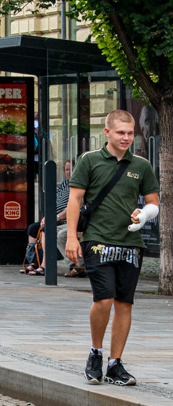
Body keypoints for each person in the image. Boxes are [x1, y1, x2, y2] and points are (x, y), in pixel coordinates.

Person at [65, 109, 159, 386]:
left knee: (124, 303)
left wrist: (144, 215)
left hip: (130, 243)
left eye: (130, 133)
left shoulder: (141, 165)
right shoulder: (90, 160)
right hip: (97, 240)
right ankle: (95, 352)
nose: (126, 137)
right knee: (103, 299)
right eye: (121, 132)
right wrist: (72, 237)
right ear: (107, 133)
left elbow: (153, 201)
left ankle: (115, 364)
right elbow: (74, 200)